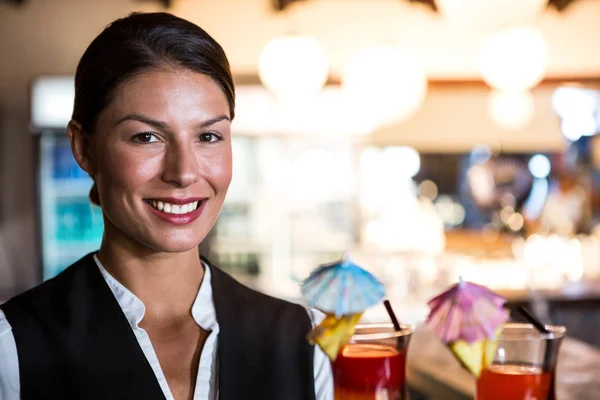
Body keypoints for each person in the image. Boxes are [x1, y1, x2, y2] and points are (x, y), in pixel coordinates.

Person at [0, 12, 332, 400]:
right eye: (146, 137)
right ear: (84, 148)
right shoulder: (12, 347)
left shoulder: (304, 340)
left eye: (208, 135)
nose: (184, 172)